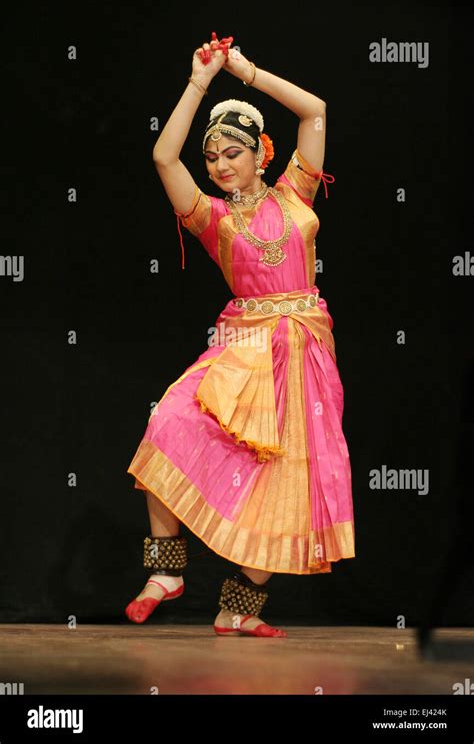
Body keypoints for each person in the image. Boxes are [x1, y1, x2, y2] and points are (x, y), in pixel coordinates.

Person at [125, 33, 355, 637]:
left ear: (260, 154)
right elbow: (163, 158)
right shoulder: (213, 219)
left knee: (284, 482)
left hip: (302, 350)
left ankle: (238, 609)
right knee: (169, 420)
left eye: (233, 153)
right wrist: (199, 83)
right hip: (242, 346)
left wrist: (248, 73)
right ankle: (167, 571)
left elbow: (316, 111)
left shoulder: (296, 192)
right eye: (214, 158)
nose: (221, 165)